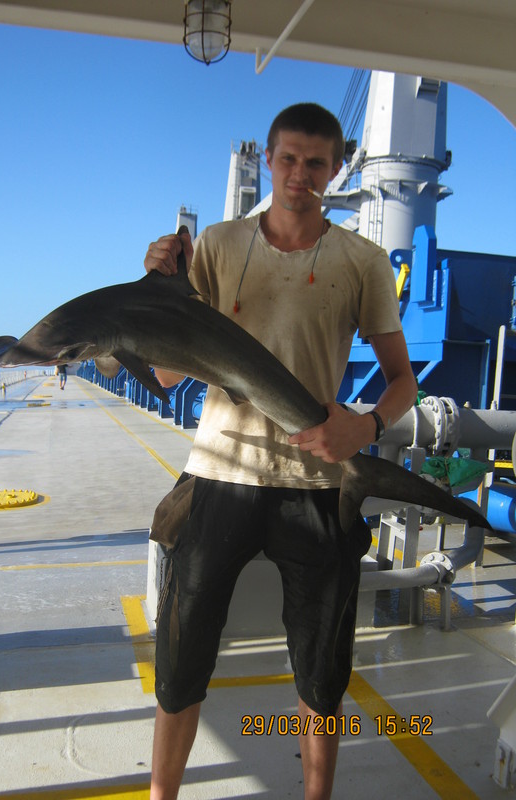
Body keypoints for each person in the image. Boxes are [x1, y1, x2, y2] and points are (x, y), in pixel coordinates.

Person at [144, 103, 417, 800]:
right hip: (217, 474)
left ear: (337, 169)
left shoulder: (362, 260)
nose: (301, 175)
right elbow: (169, 373)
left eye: (317, 163)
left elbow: (402, 382)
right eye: (289, 159)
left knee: (322, 674)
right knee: (179, 663)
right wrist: (157, 286)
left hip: (317, 484)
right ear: (268, 159)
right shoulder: (217, 247)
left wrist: (368, 426)